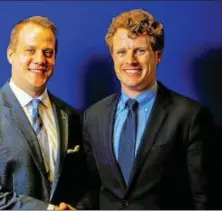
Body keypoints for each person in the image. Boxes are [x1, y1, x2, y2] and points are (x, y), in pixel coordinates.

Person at [82, 9, 214, 209]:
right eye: (122, 52)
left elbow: (202, 198)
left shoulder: (189, 116)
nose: (130, 61)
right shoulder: (93, 117)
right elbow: (91, 190)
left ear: (157, 55)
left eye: (140, 51)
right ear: (113, 56)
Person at [0, 16, 87, 210]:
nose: (40, 60)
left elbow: (84, 184)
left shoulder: (71, 117)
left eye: (48, 52)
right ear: (10, 54)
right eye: (30, 50)